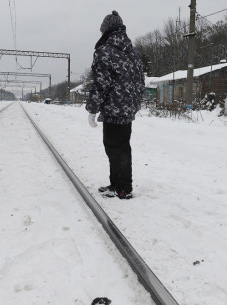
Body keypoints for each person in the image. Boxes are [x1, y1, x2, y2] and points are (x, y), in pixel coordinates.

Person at [86, 10, 145, 200]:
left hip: (113, 108)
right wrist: (134, 104)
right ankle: (117, 184)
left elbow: (100, 83)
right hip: (127, 109)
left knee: (114, 148)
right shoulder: (134, 54)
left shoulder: (105, 52)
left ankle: (123, 188)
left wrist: (92, 109)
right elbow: (140, 83)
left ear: (107, 30)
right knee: (121, 147)